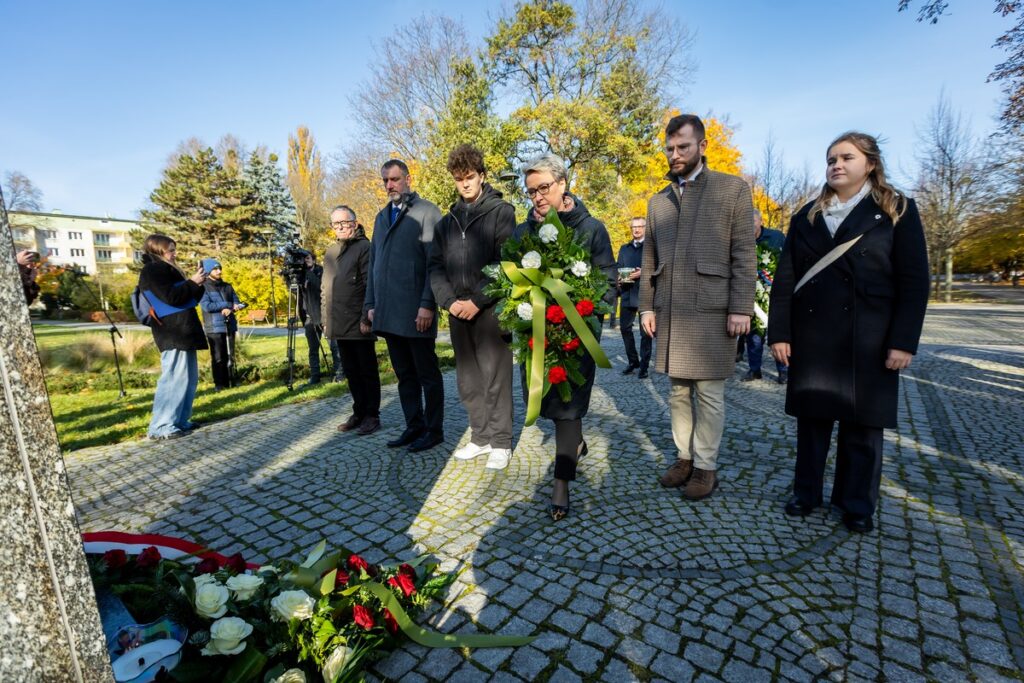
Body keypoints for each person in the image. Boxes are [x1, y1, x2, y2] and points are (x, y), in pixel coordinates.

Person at [768, 131, 929, 533]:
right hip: (813, 334)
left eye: (846, 157)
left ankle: (857, 503)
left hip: (870, 337)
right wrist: (779, 334)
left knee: (863, 426)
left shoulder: (896, 210)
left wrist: (902, 341)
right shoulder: (806, 215)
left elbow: (914, 281)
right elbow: (785, 280)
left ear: (870, 163)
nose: (836, 165)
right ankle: (806, 492)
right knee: (812, 419)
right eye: (831, 159)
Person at [639, 114, 756, 501]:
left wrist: (741, 306)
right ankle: (684, 457)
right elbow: (650, 258)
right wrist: (645, 308)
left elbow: (744, 253)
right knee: (677, 391)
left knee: (708, 392)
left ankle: (706, 466)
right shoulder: (658, 201)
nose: (675, 154)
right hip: (671, 307)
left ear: (702, 146)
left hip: (712, 307)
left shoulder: (732, 190)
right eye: (670, 148)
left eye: (683, 147)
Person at [516, 153, 616, 520]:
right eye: (531, 191)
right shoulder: (521, 232)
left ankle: (561, 484)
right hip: (534, 334)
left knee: (567, 408)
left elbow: (607, 278)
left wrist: (587, 313)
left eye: (544, 188)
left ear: (562, 184)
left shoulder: (591, 229)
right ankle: (575, 443)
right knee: (543, 403)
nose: (538, 197)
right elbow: (508, 277)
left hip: (576, 335)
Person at [429, 144, 516, 470]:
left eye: (470, 177)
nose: (464, 184)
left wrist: (477, 300)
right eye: (458, 179)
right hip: (457, 312)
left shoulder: (501, 212)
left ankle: (501, 441)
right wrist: (450, 303)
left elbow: (505, 262)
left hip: (490, 309)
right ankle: (480, 437)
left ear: (481, 176)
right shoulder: (445, 223)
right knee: (467, 379)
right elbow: (435, 268)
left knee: (495, 375)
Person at [364, 159, 445, 453]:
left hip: (416, 312)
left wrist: (427, 304)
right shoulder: (381, 217)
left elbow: (434, 263)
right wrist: (370, 304)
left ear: (408, 179)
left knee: (427, 374)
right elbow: (375, 263)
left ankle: (434, 430)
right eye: (385, 180)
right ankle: (414, 426)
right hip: (388, 312)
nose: (389, 186)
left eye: (395, 179)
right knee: (404, 375)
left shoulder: (427, 212)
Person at [137, 234, 207, 440]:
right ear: (158, 250)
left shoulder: (167, 269)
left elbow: (188, 297)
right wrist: (192, 282)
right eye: (171, 250)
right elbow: (171, 297)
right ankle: (160, 426)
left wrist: (198, 284)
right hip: (172, 331)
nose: (174, 254)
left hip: (183, 330)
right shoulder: (152, 270)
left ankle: (179, 420)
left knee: (187, 377)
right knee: (173, 377)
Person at [323, 205, 381, 435]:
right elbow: (324, 289)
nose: (341, 228)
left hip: (359, 321)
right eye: (336, 224)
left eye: (345, 223)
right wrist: (325, 319)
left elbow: (369, 284)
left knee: (366, 370)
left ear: (355, 223)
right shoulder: (330, 252)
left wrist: (366, 316)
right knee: (351, 371)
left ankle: (372, 415)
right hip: (338, 323)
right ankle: (358, 411)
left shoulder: (364, 247)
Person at [741, 212, 788, 384]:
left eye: (752, 221)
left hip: (776, 296)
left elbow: (788, 261)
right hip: (752, 299)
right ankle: (755, 370)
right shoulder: (741, 240)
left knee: (779, 335)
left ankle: (783, 371)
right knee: (754, 337)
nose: (750, 225)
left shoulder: (776, 237)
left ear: (761, 221)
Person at [616, 216, 652, 378]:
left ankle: (644, 366)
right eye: (633, 227)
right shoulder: (624, 248)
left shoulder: (652, 247)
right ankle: (633, 361)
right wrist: (618, 277)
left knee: (645, 332)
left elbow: (659, 267)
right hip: (627, 293)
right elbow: (618, 268)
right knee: (625, 329)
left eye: (640, 226)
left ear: (645, 227)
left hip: (645, 293)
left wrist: (643, 272)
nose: (636, 229)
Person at [199, 260, 243, 391]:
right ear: (208, 271)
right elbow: (207, 306)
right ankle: (219, 384)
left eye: (219, 268)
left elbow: (238, 303)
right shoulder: (203, 288)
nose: (219, 271)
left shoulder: (228, 286)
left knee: (231, 354)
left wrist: (233, 308)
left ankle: (232, 380)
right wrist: (228, 305)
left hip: (230, 325)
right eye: (215, 269)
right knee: (218, 356)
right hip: (214, 327)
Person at [301, 252, 342, 385]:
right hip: (309, 317)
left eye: (307, 258)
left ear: (313, 259)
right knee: (313, 349)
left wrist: (309, 274)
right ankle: (315, 376)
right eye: (303, 259)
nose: (305, 261)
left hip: (325, 314)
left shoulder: (322, 271)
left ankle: (339, 373)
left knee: (334, 346)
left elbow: (322, 287)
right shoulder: (300, 275)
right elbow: (294, 291)